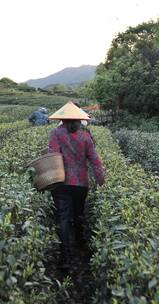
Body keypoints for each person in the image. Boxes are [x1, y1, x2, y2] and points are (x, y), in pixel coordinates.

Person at [47, 101, 105, 270]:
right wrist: (100, 180)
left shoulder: (55, 134)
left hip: (61, 182)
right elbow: (95, 160)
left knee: (63, 217)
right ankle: (80, 242)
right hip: (81, 183)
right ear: (79, 120)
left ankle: (66, 254)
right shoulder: (86, 136)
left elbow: (53, 156)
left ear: (62, 119)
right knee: (78, 213)